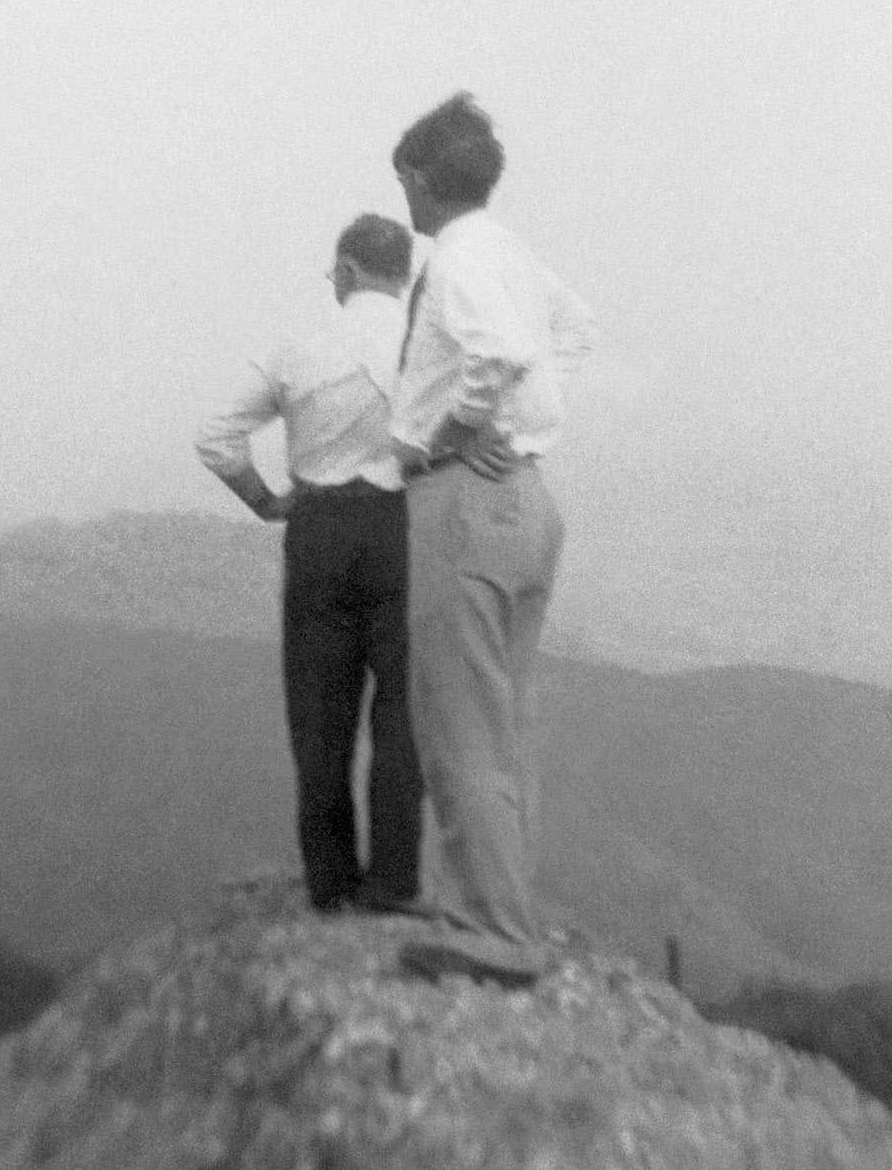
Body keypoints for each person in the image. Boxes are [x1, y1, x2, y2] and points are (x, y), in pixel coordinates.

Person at [384, 91, 597, 980]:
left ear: (422, 178)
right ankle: (503, 906)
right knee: (505, 716)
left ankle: (493, 930)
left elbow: (500, 352)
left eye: (405, 178)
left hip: (462, 499)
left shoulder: (461, 258)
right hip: (528, 501)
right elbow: (573, 334)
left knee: (459, 718)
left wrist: (457, 428)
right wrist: (519, 426)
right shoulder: (515, 254)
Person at [194, 213, 427, 915]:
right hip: (402, 527)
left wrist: (266, 500)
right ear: (403, 273)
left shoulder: (297, 348)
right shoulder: (424, 347)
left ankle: (330, 881)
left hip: (319, 527)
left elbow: (216, 439)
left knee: (320, 715)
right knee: (401, 712)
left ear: (348, 270)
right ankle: (392, 880)